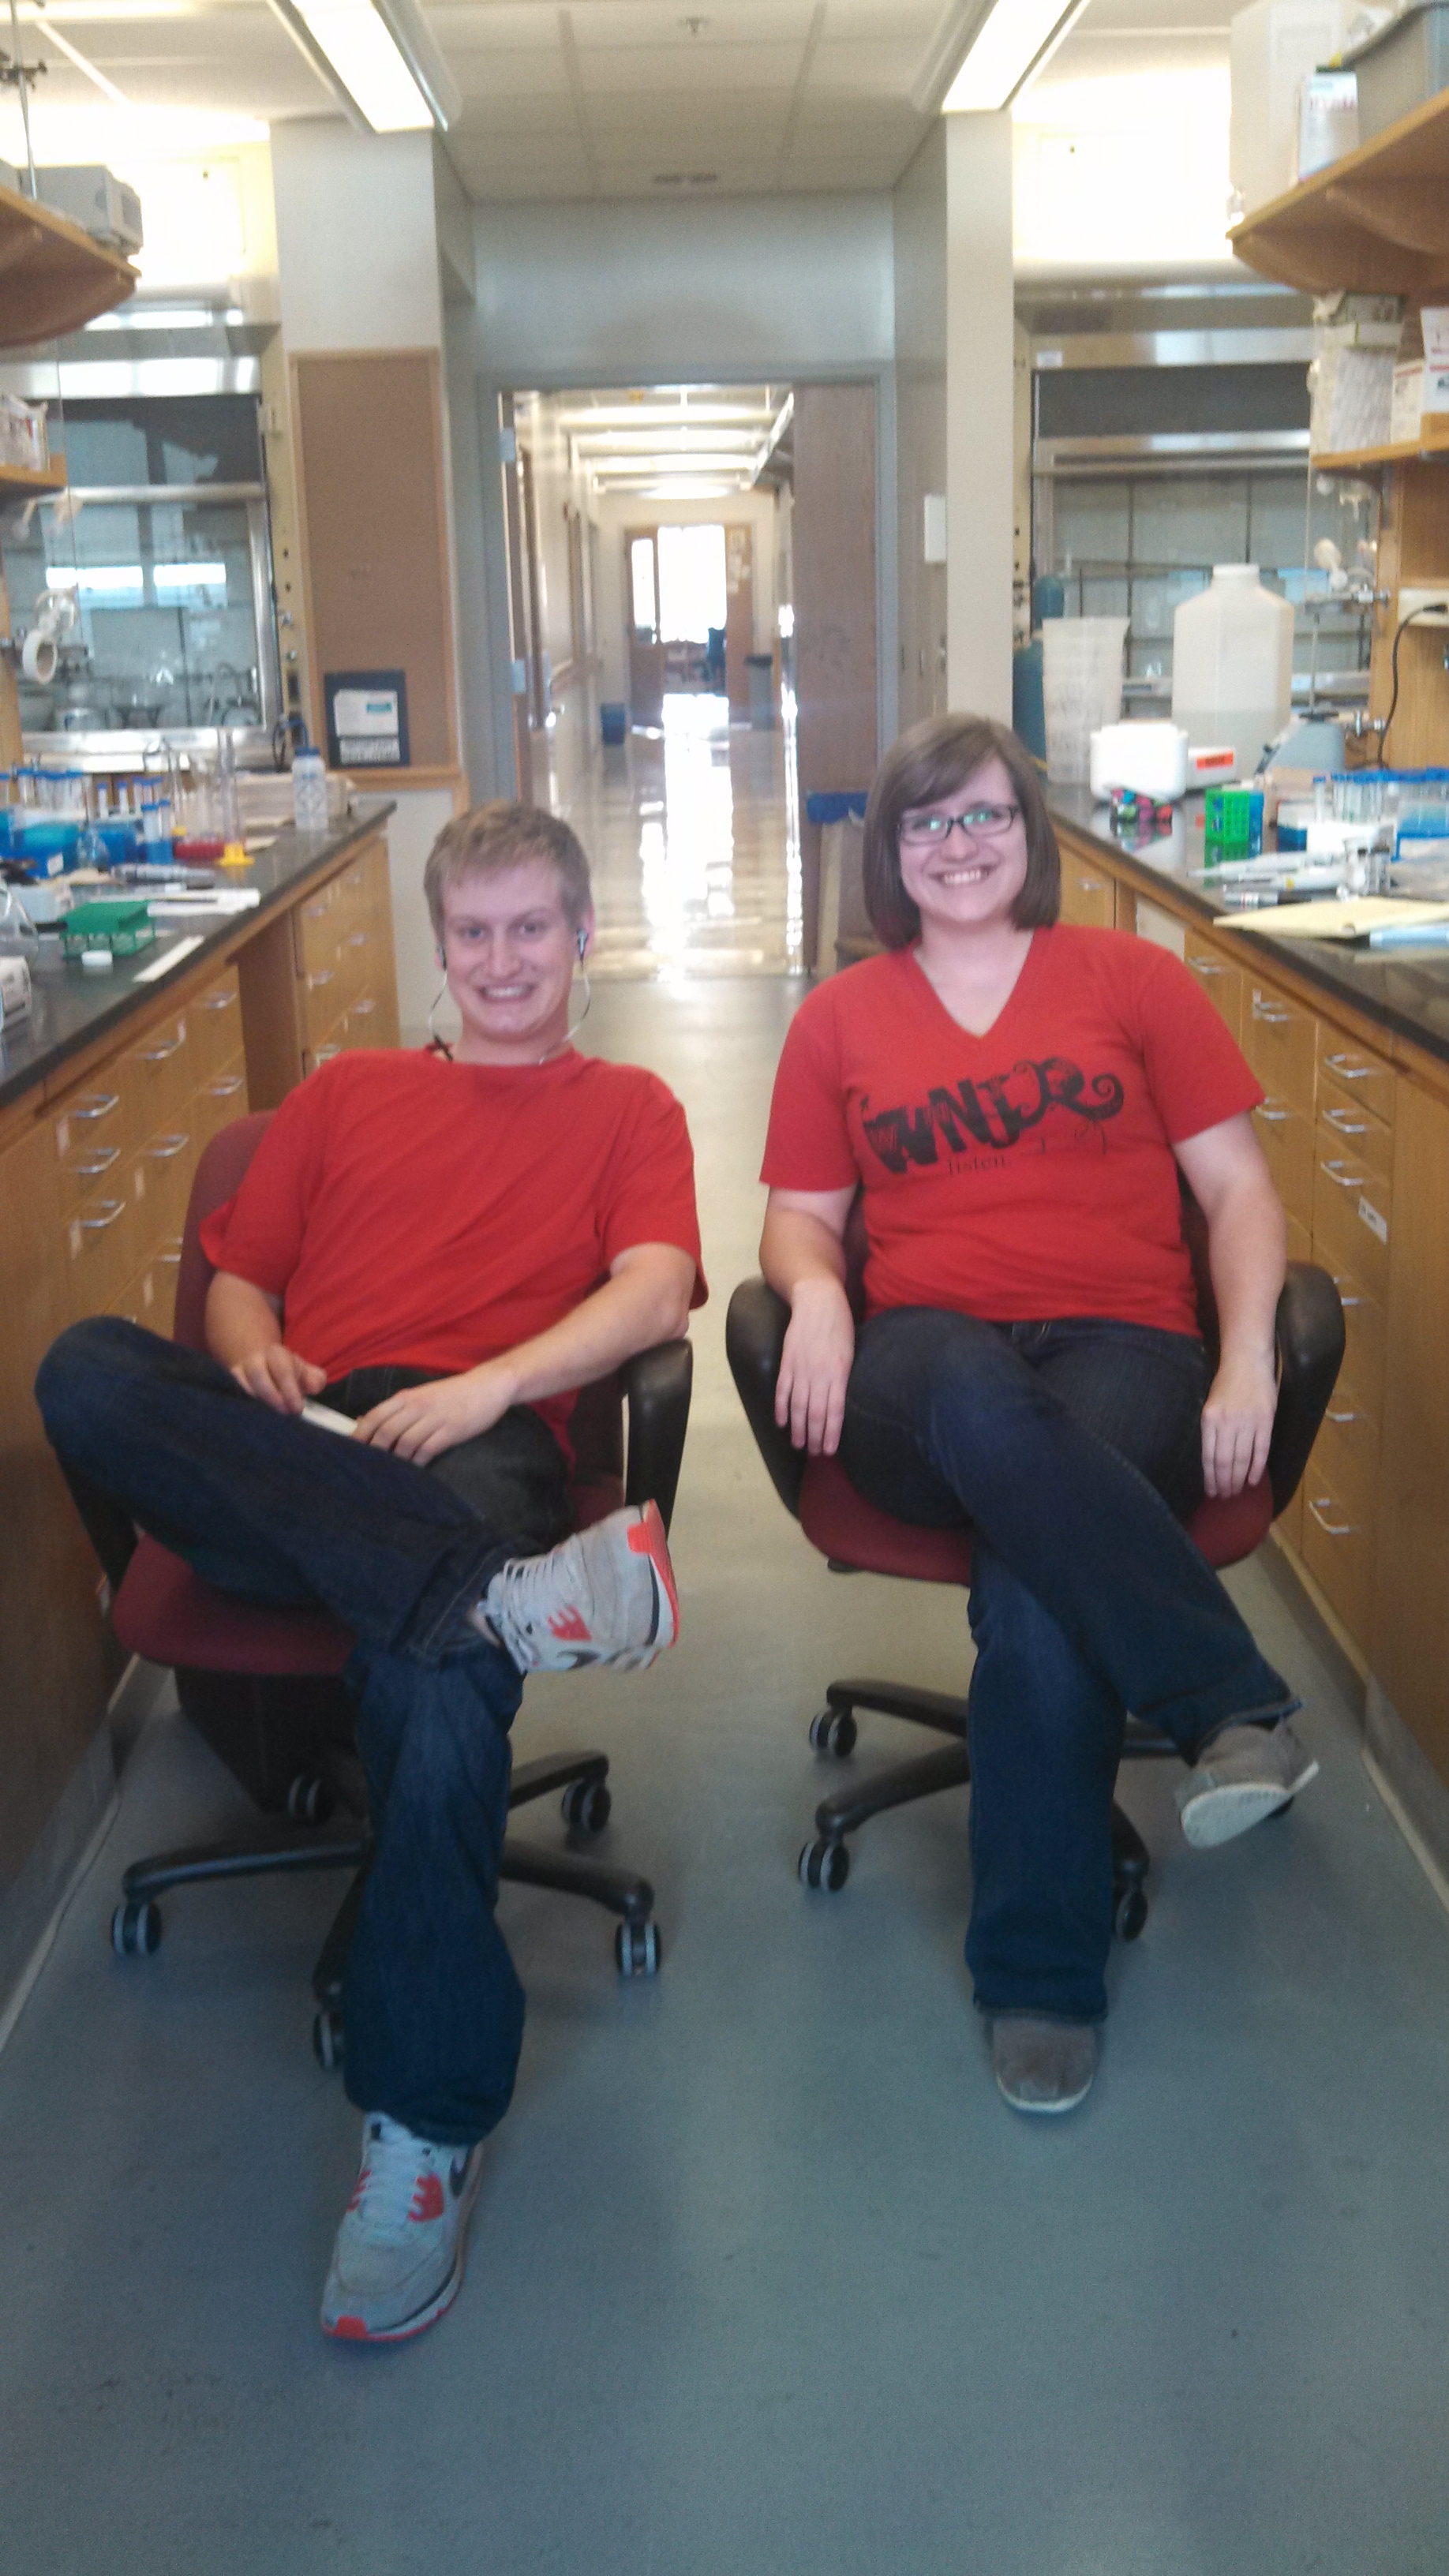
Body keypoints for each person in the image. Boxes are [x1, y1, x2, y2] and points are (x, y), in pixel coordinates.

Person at [37, 800, 704, 2338]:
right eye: (472, 932)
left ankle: (419, 2134)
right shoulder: (345, 1093)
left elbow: (658, 1289)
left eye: (530, 928)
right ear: (439, 944)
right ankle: (509, 1601)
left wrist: (488, 1387)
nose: (501, 960)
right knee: (85, 1367)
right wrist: (255, 1356)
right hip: (301, 1439)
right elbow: (243, 1278)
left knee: (436, 1683)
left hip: (477, 1443)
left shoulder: (631, 1107)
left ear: (581, 936)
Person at [758, 713, 1316, 2118]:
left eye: (986, 816)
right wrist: (816, 1296)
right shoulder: (839, 1017)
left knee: (1035, 1591)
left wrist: (1248, 1355)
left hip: (1125, 1345)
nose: (959, 845)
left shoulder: (1134, 980)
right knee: (968, 1389)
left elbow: (1239, 1193)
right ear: (891, 849)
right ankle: (1231, 1699)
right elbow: (801, 1220)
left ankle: (1040, 1982)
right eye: (928, 822)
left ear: (1032, 832)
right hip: (921, 1366)